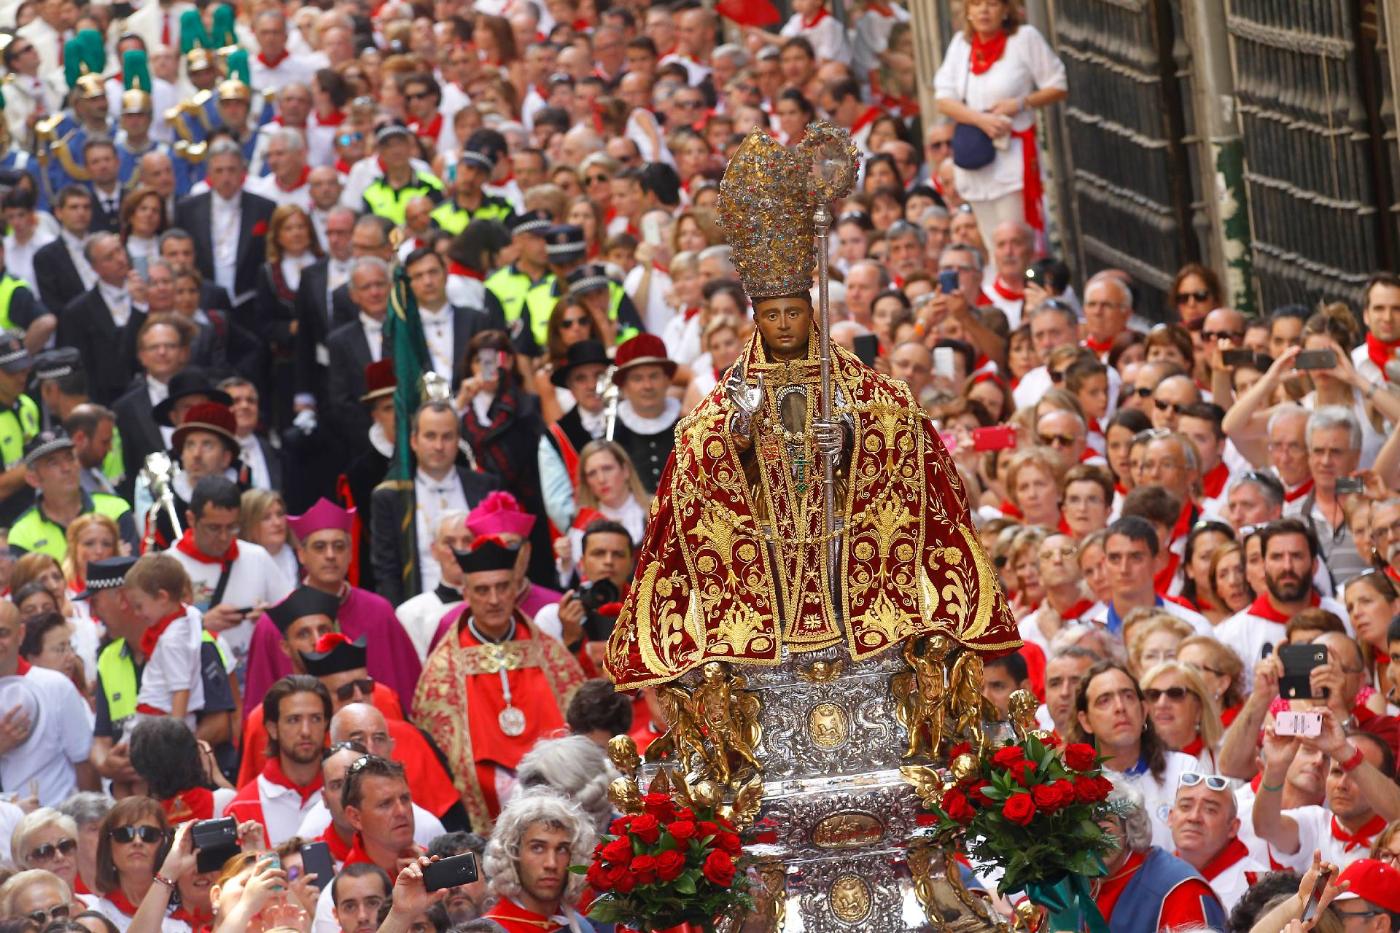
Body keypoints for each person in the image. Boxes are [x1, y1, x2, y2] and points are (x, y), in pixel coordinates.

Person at [606, 125, 1018, 693]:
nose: (782, 325)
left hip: (847, 566)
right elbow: (696, 467)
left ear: (811, 312)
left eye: (793, 313)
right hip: (771, 583)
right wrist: (741, 436)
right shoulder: (730, 396)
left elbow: (905, 437)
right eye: (771, 314)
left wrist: (851, 440)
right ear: (757, 317)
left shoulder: (860, 388)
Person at [414, 536, 586, 831]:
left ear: (515, 588)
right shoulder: (442, 668)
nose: (493, 599)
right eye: (482, 590)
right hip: (482, 811)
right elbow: (443, 755)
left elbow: (577, 726)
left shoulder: (549, 654)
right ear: (465, 593)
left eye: (502, 587)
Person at [241, 498, 422, 716]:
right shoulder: (274, 624)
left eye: (339, 546)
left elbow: (410, 693)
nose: (330, 555)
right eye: (319, 547)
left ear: (350, 553)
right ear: (301, 554)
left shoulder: (379, 612)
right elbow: (259, 712)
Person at [369, 399, 497, 605]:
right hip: (418, 612)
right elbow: (387, 571)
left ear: (458, 440)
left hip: (479, 608)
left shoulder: (485, 487)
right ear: (414, 441)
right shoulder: (391, 496)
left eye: (447, 437)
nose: (439, 446)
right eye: (430, 436)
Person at [167, 475, 292, 672]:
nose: (224, 537)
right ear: (191, 519)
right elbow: (150, 633)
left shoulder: (257, 557)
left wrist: (270, 619)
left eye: (232, 527)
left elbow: (292, 614)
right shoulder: (168, 566)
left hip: (253, 682)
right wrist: (201, 623)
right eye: (214, 528)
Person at [1070, 661, 1197, 849]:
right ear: (1085, 721)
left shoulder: (1184, 770)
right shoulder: (1074, 785)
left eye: (1128, 696)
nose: (1120, 707)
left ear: (1144, 710)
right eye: (1104, 700)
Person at [1214, 517, 1346, 682]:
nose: (1287, 566)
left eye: (1297, 556)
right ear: (1264, 565)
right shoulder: (1230, 635)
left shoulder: (1344, 618)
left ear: (1314, 565)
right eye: (1277, 557)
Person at [1091, 776, 1227, 931]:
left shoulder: (1182, 892)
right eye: (1078, 823)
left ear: (1127, 824)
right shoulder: (1082, 882)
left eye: (1100, 818)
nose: (1089, 832)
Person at [0, 596, 95, 805]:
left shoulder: (56, 686)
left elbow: (84, 763)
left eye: (3, 633)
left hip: (54, 824)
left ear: (21, 634)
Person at [223, 675, 330, 844]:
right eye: (294, 720)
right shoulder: (241, 808)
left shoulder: (344, 795)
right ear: (273, 729)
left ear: (326, 724)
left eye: (315, 719)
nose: (306, 731)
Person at [476, 791, 597, 933]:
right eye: (537, 848)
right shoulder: (488, 930)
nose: (551, 863)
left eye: (562, 849)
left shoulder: (580, 926)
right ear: (512, 853)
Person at [8, 428, 136, 560]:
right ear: (33, 479)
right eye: (53, 463)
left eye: (70, 458)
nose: (66, 468)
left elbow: (134, 574)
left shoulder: (115, 509)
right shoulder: (22, 533)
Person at [121, 554, 204, 727]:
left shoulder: (171, 640)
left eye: (139, 606)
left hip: (159, 719)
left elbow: (181, 689)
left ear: (162, 597)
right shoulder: (190, 616)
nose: (137, 613)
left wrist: (174, 734)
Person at [1166, 771, 1267, 912]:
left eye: (1210, 810)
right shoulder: (1149, 875)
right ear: (1170, 818)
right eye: (1185, 807)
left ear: (1232, 827)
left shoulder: (1259, 885)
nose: (1194, 817)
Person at [88, 797, 172, 930]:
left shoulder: (186, 908)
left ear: (165, 844)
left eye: (149, 834)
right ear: (108, 847)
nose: (137, 841)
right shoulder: (96, 920)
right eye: (124, 834)